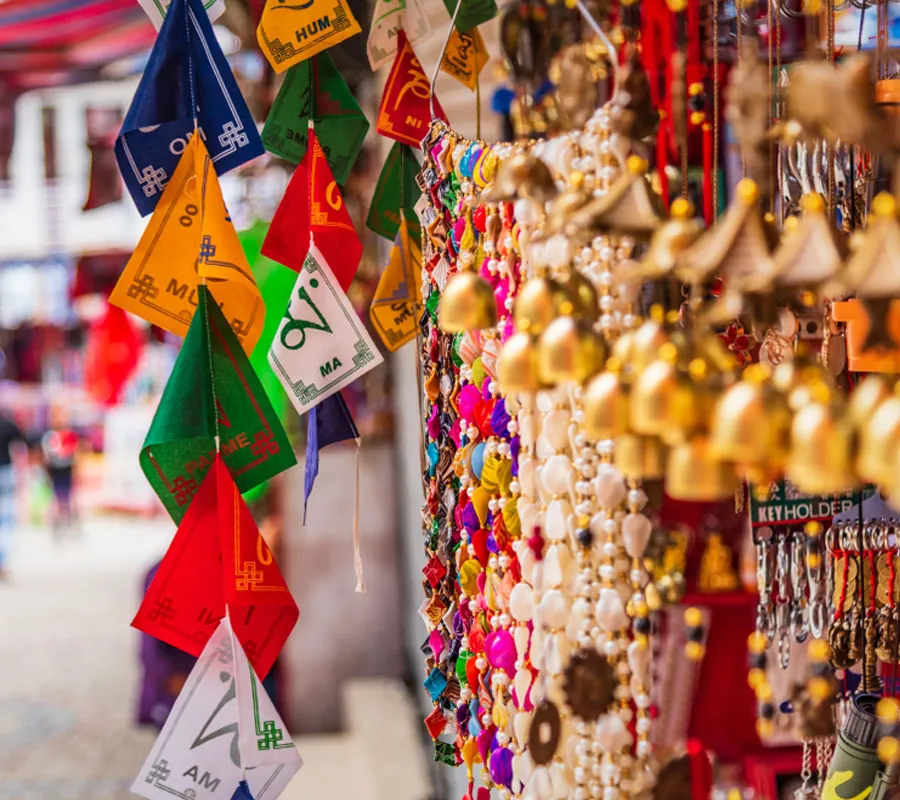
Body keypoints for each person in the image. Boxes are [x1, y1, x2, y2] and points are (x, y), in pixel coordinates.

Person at [40, 406, 80, 541]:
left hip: (66, 469)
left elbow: (75, 454)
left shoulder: (68, 434)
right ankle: (58, 527)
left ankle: (70, 526)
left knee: (69, 499)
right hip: (56, 470)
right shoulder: (50, 436)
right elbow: (46, 457)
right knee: (56, 500)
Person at [0, 409, 26, 578]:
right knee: (7, 519)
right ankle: (2, 561)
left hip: (7, 474)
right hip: (6, 472)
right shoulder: (9, 424)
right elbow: (21, 450)